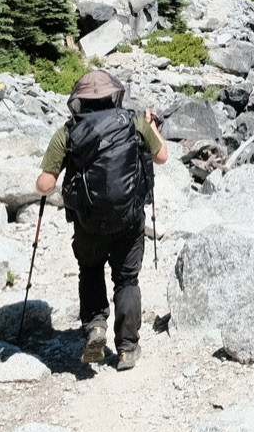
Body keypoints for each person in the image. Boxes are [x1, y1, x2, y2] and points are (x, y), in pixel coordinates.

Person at [35, 71, 167, 370]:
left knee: (90, 269)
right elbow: (162, 157)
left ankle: (96, 326)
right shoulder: (134, 122)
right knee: (127, 279)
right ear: (114, 95)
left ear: (79, 100)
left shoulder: (68, 131)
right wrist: (154, 128)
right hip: (130, 218)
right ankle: (127, 348)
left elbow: (45, 185)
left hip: (88, 221)